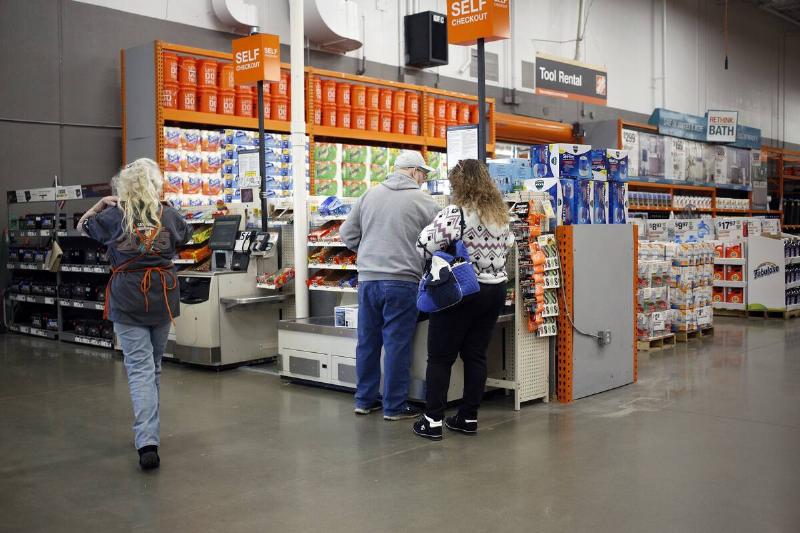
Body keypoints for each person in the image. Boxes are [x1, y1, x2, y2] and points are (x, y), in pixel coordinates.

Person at [79, 158, 191, 470]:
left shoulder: (114, 215)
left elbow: (82, 226)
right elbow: (187, 236)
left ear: (123, 186)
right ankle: (148, 435)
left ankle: (147, 442)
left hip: (127, 298)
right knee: (152, 367)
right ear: (156, 184)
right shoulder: (167, 214)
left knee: (140, 370)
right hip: (163, 298)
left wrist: (101, 204)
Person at [412, 159, 514, 440]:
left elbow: (424, 242)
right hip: (495, 291)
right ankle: (468, 417)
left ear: (459, 184)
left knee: (440, 357)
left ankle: (432, 419)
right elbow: (509, 245)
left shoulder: (456, 213)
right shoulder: (500, 214)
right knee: (475, 355)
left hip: (461, 290)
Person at [340, 150, 439, 420]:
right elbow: (440, 238)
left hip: (368, 279)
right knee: (397, 344)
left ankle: (364, 400)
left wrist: (369, 251)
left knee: (368, 342)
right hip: (402, 280)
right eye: (423, 174)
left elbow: (346, 233)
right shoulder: (424, 201)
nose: (423, 180)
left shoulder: (368, 195)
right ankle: (394, 407)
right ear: (415, 172)